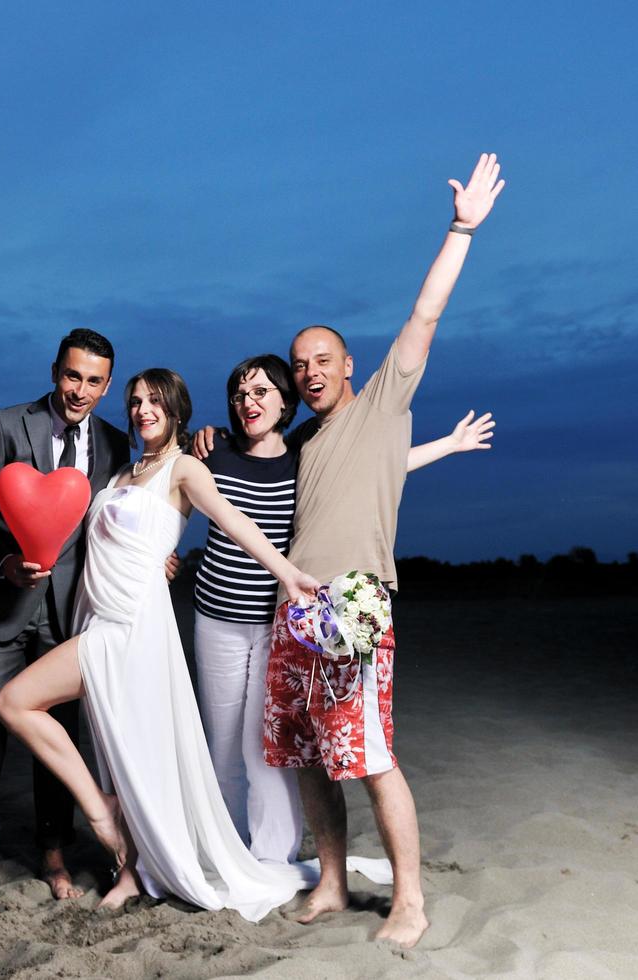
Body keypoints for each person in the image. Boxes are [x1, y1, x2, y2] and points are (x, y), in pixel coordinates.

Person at [264, 153, 505, 948]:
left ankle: (410, 901)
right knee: (304, 753)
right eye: (299, 365)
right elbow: (381, 473)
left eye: (321, 361)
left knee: (369, 755)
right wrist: (444, 449)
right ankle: (331, 881)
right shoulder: (310, 442)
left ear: (350, 367)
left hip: (354, 607)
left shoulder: (379, 401)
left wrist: (461, 228)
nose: (308, 373)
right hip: (291, 612)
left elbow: (424, 317)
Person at [0, 368, 327, 920]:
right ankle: (127, 861)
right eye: (134, 401)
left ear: (175, 409)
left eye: (154, 401)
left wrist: (287, 573)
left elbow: (232, 519)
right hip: (100, 619)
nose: (142, 409)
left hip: (133, 627)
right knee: (119, 748)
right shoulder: (124, 471)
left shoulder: (185, 468)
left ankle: (107, 824)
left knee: (20, 703)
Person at [192, 355, 494, 866]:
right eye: (241, 394)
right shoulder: (212, 448)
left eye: (263, 391)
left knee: (264, 751)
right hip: (215, 616)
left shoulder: (304, 453)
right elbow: (171, 495)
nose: (250, 402)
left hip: (276, 617)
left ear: (285, 401)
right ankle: (226, 851)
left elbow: (380, 466)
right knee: (221, 750)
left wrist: (449, 444)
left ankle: (271, 857)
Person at [0, 328, 130, 913]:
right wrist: (4, 562)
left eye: (94, 381)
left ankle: (53, 852)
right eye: (72, 375)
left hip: (70, 617)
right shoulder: (4, 425)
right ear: (56, 369)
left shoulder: (114, 443)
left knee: (60, 740)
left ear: (107, 386)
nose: (80, 390)